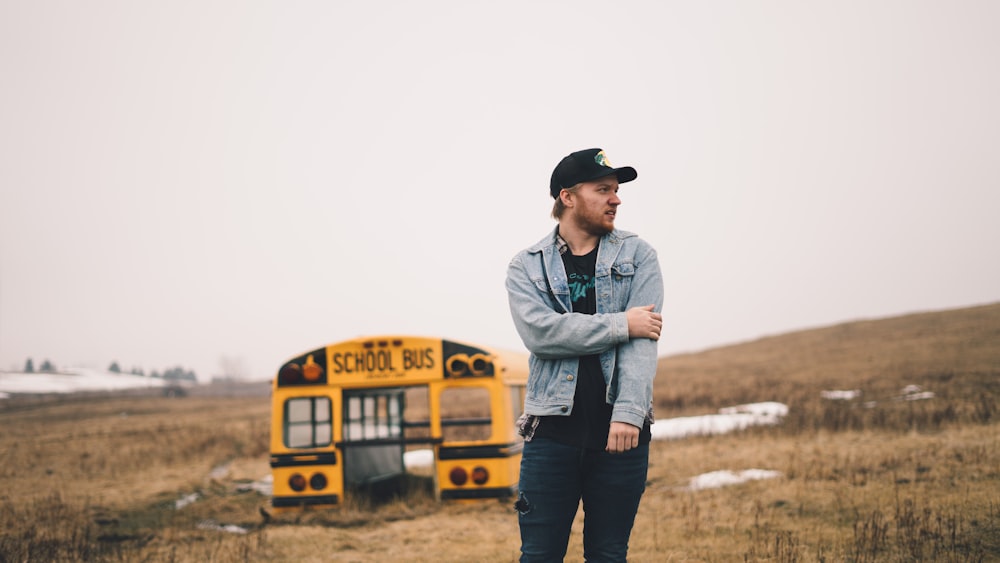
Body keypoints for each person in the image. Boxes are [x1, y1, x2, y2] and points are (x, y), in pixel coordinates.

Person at [505, 147, 664, 562]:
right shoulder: (527, 266)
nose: (616, 199)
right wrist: (621, 324)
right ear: (567, 197)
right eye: (603, 189)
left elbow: (643, 342)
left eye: (616, 190)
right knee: (539, 554)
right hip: (552, 432)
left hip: (620, 434)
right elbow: (542, 334)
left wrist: (629, 413)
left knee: (609, 554)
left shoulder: (638, 256)